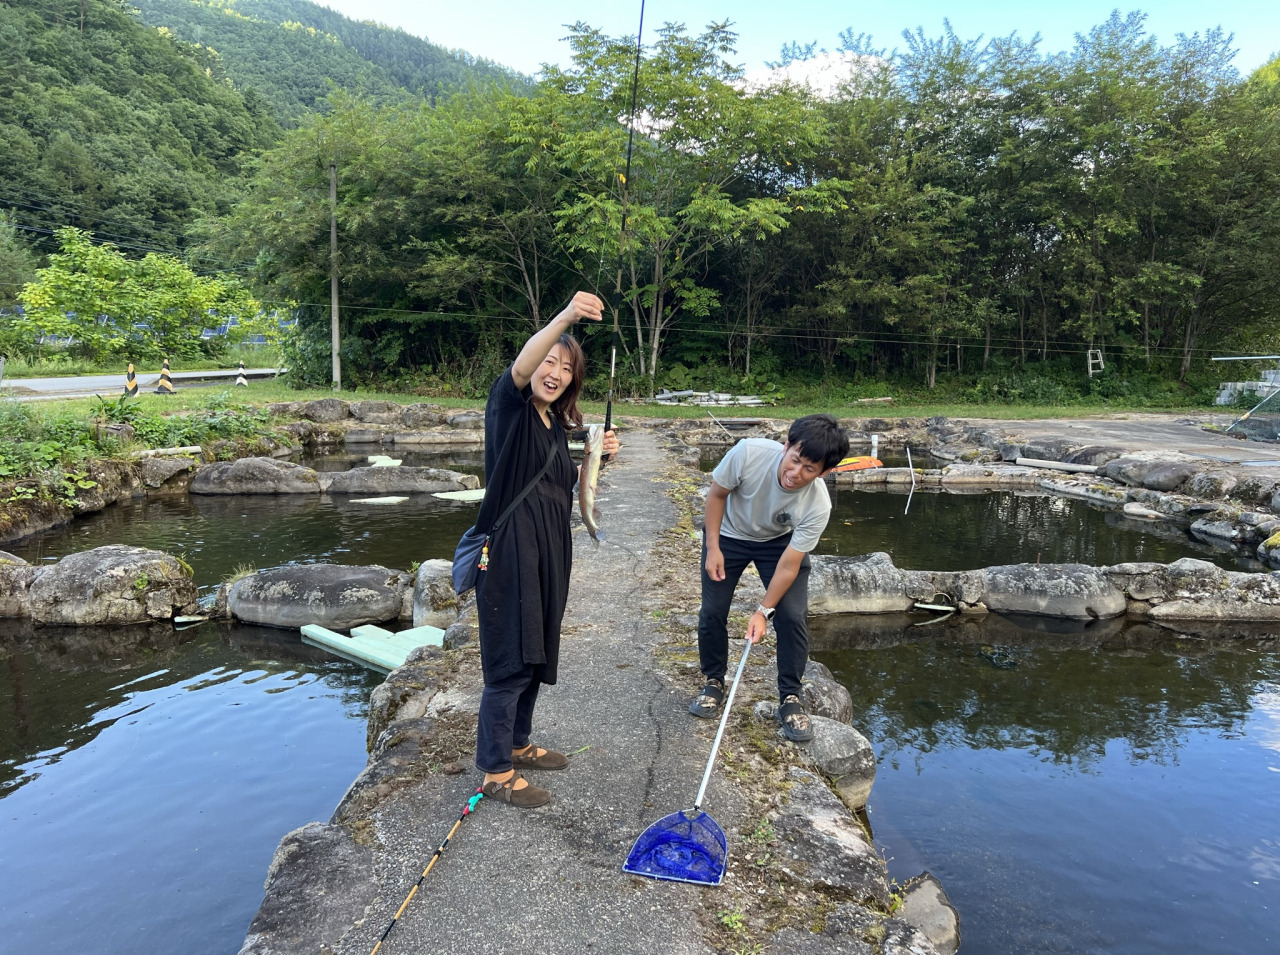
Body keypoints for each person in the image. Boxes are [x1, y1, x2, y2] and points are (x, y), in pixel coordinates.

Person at [473, 291, 620, 808]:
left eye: (566, 367)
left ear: (573, 381)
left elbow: (563, 488)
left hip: (550, 553)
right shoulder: (509, 409)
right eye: (549, 361)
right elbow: (519, 367)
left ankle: (518, 742)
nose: (554, 371)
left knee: (534, 653)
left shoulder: (556, 427)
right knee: (510, 659)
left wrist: (597, 460)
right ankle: (493, 770)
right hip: (510, 555)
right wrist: (566, 318)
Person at [689, 414, 848, 742]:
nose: (795, 474)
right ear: (786, 446)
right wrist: (714, 546)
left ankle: (790, 696)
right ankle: (714, 681)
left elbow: (790, 565)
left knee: (791, 616)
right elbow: (717, 495)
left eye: (809, 469)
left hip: (778, 544)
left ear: (825, 472)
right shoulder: (748, 453)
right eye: (795, 460)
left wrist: (763, 611)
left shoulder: (818, 505)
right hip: (729, 534)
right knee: (713, 611)